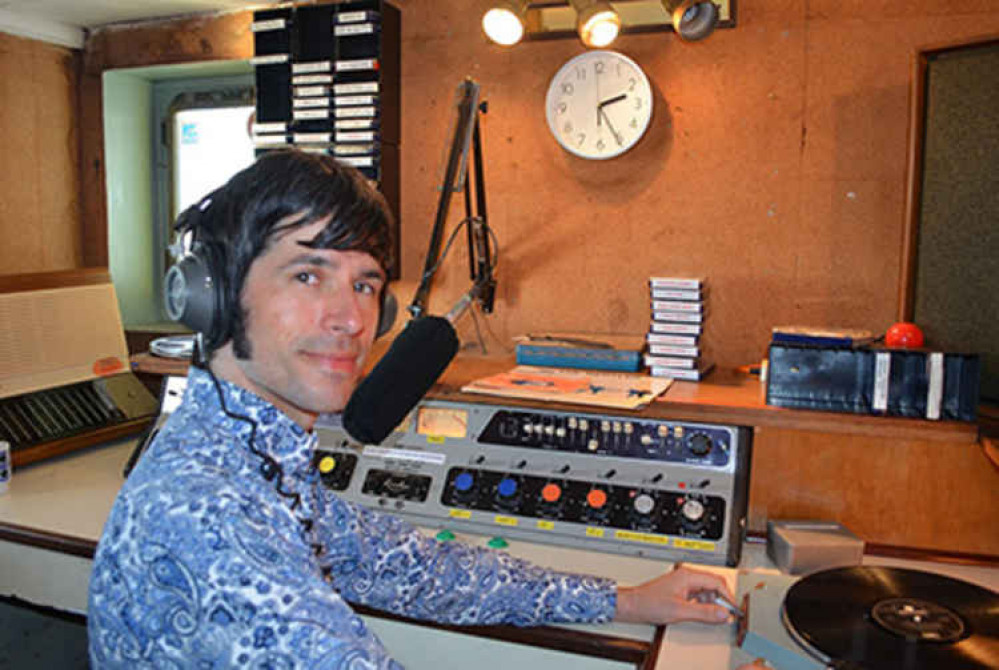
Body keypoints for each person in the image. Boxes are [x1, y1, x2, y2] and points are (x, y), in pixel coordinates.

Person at [88, 150, 746, 668]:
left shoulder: (255, 453)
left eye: (365, 283)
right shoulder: (205, 513)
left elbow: (399, 564)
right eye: (308, 274)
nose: (351, 318)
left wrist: (624, 599)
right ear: (215, 295)